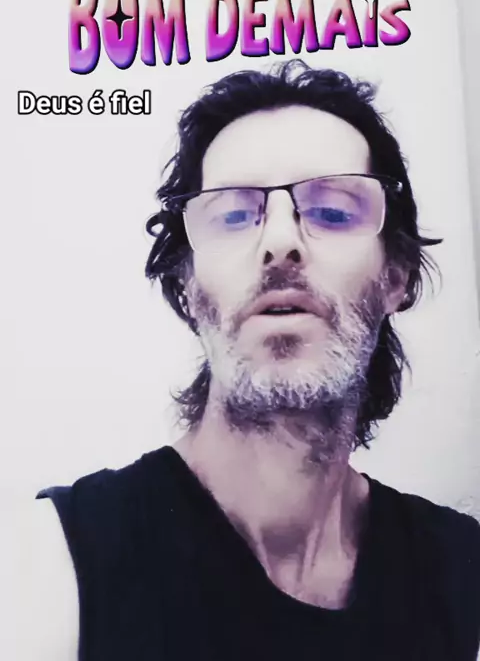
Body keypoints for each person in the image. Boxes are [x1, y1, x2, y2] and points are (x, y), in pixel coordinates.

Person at [32, 60, 480, 660]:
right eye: (234, 215)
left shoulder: (461, 571)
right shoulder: (49, 565)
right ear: (187, 286)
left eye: (332, 210)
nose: (280, 241)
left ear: (395, 277)